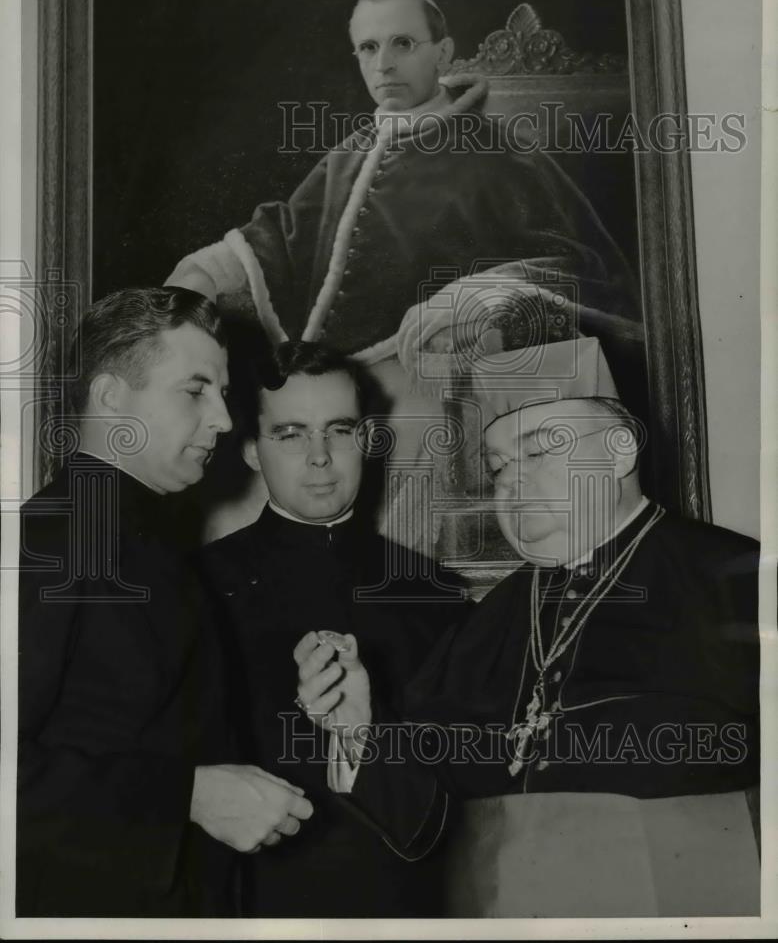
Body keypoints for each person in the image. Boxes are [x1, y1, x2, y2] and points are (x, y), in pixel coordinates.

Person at [296, 336, 761, 917]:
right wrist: (359, 728)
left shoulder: (741, 579)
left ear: (619, 451)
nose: (511, 482)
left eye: (539, 452)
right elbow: (427, 820)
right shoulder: (485, 622)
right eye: (497, 466)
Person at [164, 0, 641, 548]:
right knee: (242, 512)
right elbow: (284, 233)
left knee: (377, 493)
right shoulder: (351, 152)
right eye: (367, 48)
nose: (383, 63)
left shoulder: (498, 151)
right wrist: (207, 270)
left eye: (402, 43)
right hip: (325, 375)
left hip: (432, 375)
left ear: (442, 54)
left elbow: (577, 263)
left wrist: (477, 292)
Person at [17, 287, 313, 917]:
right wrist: (187, 798)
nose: (225, 420)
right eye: (194, 389)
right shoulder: (55, 535)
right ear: (110, 398)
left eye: (223, 393)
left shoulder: (141, 544)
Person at [198, 339, 465, 917]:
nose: (320, 456)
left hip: (404, 906)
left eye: (339, 430)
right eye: (290, 434)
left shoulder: (437, 595)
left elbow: (457, 798)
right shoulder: (193, 589)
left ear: (366, 440)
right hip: (242, 909)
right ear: (250, 449)